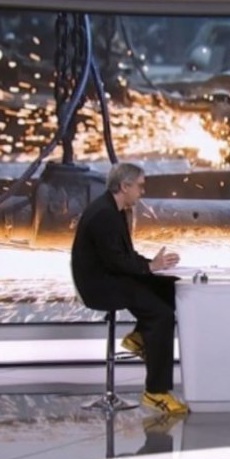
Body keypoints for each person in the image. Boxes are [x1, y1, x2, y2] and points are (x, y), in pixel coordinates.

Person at [71, 162, 188, 414]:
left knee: (168, 286)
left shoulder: (115, 210)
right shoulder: (104, 214)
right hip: (100, 285)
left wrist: (153, 266)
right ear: (124, 186)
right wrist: (150, 267)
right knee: (161, 315)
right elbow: (116, 261)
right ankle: (156, 392)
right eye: (139, 186)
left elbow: (124, 256)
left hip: (112, 276)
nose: (142, 192)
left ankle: (140, 337)